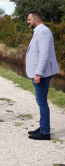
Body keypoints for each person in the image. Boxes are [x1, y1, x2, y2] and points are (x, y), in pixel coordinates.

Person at [26, 11, 59, 140]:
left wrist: (38, 73)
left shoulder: (43, 31)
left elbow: (44, 54)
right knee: (41, 102)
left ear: (36, 19)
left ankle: (45, 132)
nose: (28, 22)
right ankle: (43, 126)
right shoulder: (39, 31)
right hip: (40, 73)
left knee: (42, 102)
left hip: (42, 74)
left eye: (29, 19)